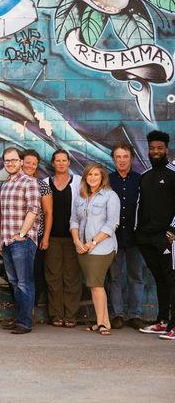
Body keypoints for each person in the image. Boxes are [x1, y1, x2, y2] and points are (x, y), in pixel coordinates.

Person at [70, 163, 120, 336]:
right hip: (82, 248)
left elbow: (112, 224)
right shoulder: (81, 197)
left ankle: (103, 323)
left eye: (96, 175)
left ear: (102, 177)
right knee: (94, 286)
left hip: (102, 248)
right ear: (85, 177)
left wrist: (92, 243)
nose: (92, 178)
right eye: (89, 175)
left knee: (96, 285)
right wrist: (77, 241)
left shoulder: (110, 196)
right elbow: (74, 220)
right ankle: (103, 321)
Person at [0, 146, 41, 334]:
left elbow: (33, 210)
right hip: (7, 241)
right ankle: (20, 318)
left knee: (24, 282)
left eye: (14, 160)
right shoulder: (6, 184)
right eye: (7, 161)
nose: (10, 164)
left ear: (21, 162)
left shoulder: (29, 182)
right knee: (14, 282)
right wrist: (1, 238)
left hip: (23, 241)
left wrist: (22, 234)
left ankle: (25, 323)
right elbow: (5, 215)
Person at [136, 130, 175, 340]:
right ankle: (162, 321)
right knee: (159, 279)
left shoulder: (173, 173)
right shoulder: (145, 176)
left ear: (166, 149)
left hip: (167, 237)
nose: (156, 151)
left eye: (160, 148)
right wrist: (138, 232)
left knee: (172, 279)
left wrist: (173, 230)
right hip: (146, 238)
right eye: (152, 148)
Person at [107, 143, 145, 330]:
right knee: (115, 277)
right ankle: (117, 314)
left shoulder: (140, 180)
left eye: (125, 156)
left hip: (136, 238)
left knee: (136, 276)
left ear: (131, 158)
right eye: (118, 157)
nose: (122, 160)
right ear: (113, 159)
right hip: (113, 238)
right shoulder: (107, 180)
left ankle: (135, 314)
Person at [44, 149, 82, 328]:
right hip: (52, 238)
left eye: (64, 160)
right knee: (53, 277)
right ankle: (56, 314)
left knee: (72, 277)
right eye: (57, 160)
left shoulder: (79, 182)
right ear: (53, 163)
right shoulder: (45, 183)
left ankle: (71, 315)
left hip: (73, 238)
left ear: (69, 163)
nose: (60, 163)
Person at [21, 149, 52, 309]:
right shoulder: (12, 183)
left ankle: (30, 310)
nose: (30, 166)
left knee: (34, 274)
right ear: (21, 163)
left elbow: (48, 213)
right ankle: (20, 311)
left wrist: (45, 237)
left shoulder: (42, 185)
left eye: (34, 163)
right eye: (28, 162)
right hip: (13, 238)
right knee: (17, 276)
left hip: (35, 238)